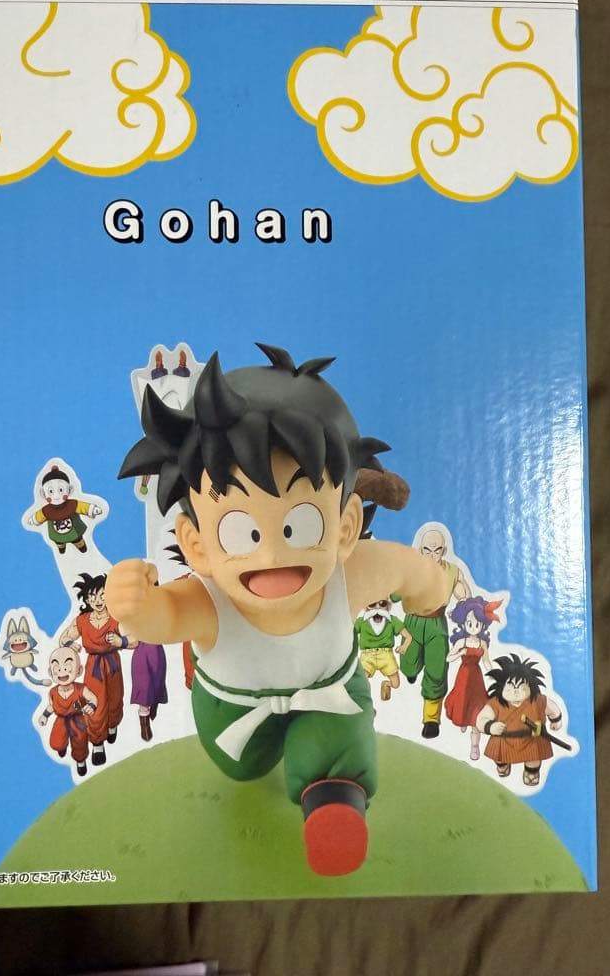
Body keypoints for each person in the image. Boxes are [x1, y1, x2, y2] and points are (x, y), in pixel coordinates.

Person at [106, 343, 448, 876]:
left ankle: (334, 804)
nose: (271, 556)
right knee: (241, 768)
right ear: (197, 545)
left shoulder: (353, 573)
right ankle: (276, 762)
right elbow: (165, 617)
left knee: (337, 746)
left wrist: (434, 591)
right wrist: (135, 605)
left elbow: (411, 572)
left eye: (300, 526)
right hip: (232, 714)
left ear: (346, 527)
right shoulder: (208, 601)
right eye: (240, 531)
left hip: (330, 694)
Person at [399, 526, 471, 739]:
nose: (432, 555)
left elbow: (464, 595)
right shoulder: (411, 569)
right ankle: (411, 670)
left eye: (437, 550)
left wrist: (466, 606)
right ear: (421, 550)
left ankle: (431, 719)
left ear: (444, 551)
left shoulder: (451, 571)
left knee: (437, 670)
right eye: (427, 550)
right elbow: (393, 591)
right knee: (408, 664)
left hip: (437, 625)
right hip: (412, 622)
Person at [61, 573, 135, 765]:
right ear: (87, 599)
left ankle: (112, 725)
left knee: (115, 699)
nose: (98, 600)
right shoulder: (83, 620)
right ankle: (97, 744)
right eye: (92, 596)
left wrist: (121, 641)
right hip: (93, 667)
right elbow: (65, 637)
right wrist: (70, 643)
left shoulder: (116, 618)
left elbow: (135, 638)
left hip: (113, 665)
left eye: (102, 595)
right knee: (95, 703)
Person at [475, 653, 563, 786]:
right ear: (501, 686)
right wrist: (490, 726)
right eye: (510, 687)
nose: (515, 691)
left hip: (533, 739)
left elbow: (552, 709)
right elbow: (481, 719)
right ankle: (503, 765)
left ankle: (531, 772)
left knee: (534, 759)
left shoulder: (538, 701)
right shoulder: (495, 703)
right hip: (504, 739)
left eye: (521, 687)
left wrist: (556, 720)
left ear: (531, 686)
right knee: (500, 757)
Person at [443, 596, 500, 759]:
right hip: (464, 676)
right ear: (463, 624)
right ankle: (462, 720)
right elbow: (448, 658)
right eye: (469, 624)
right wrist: (460, 653)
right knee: (462, 702)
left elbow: (486, 661)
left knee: (477, 709)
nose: (473, 627)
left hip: (477, 678)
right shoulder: (462, 641)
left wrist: (494, 675)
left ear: (482, 625)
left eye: (477, 624)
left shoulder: (482, 643)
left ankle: (474, 747)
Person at [37, 646, 97, 777]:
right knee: (56, 742)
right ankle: (62, 747)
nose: (62, 671)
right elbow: (52, 706)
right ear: (51, 672)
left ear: (79, 670)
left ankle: (80, 762)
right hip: (61, 720)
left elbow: (93, 698)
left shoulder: (81, 689)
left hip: (77, 720)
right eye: (57, 668)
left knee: (80, 742)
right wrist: (45, 715)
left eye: (67, 667)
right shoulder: (53, 692)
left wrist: (92, 705)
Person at [356, 598, 412, 701]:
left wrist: (404, 647)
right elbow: (350, 632)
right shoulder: (361, 622)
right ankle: (365, 698)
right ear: (366, 607)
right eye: (372, 604)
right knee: (361, 682)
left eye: (382, 604)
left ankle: (386, 684)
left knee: (396, 684)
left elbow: (408, 636)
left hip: (386, 655)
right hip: (367, 656)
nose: (377, 608)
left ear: (388, 606)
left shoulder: (392, 621)